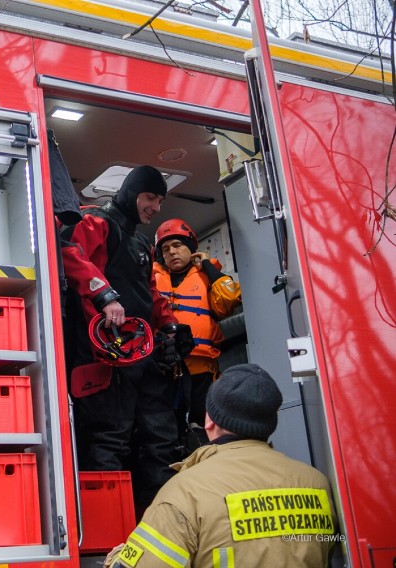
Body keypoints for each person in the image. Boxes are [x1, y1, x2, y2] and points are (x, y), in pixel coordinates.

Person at [104, 364, 337, 568]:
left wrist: (117, 555)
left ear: (209, 420)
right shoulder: (316, 483)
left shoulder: (184, 493)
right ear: (269, 423)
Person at [60, 165, 183, 511]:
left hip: (142, 358)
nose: (156, 207)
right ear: (130, 193)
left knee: (160, 438)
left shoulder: (142, 243)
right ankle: (107, 527)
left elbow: (150, 293)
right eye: (149, 198)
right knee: (108, 438)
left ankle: (159, 522)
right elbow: (71, 255)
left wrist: (171, 326)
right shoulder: (96, 222)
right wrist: (105, 295)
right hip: (105, 359)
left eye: (160, 200)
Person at [153, 219, 242, 443]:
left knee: (203, 428)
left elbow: (228, 301)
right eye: (165, 249)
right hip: (165, 367)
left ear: (190, 248)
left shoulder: (207, 276)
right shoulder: (152, 281)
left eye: (177, 245)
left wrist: (209, 268)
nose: (171, 252)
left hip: (202, 367)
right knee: (165, 430)